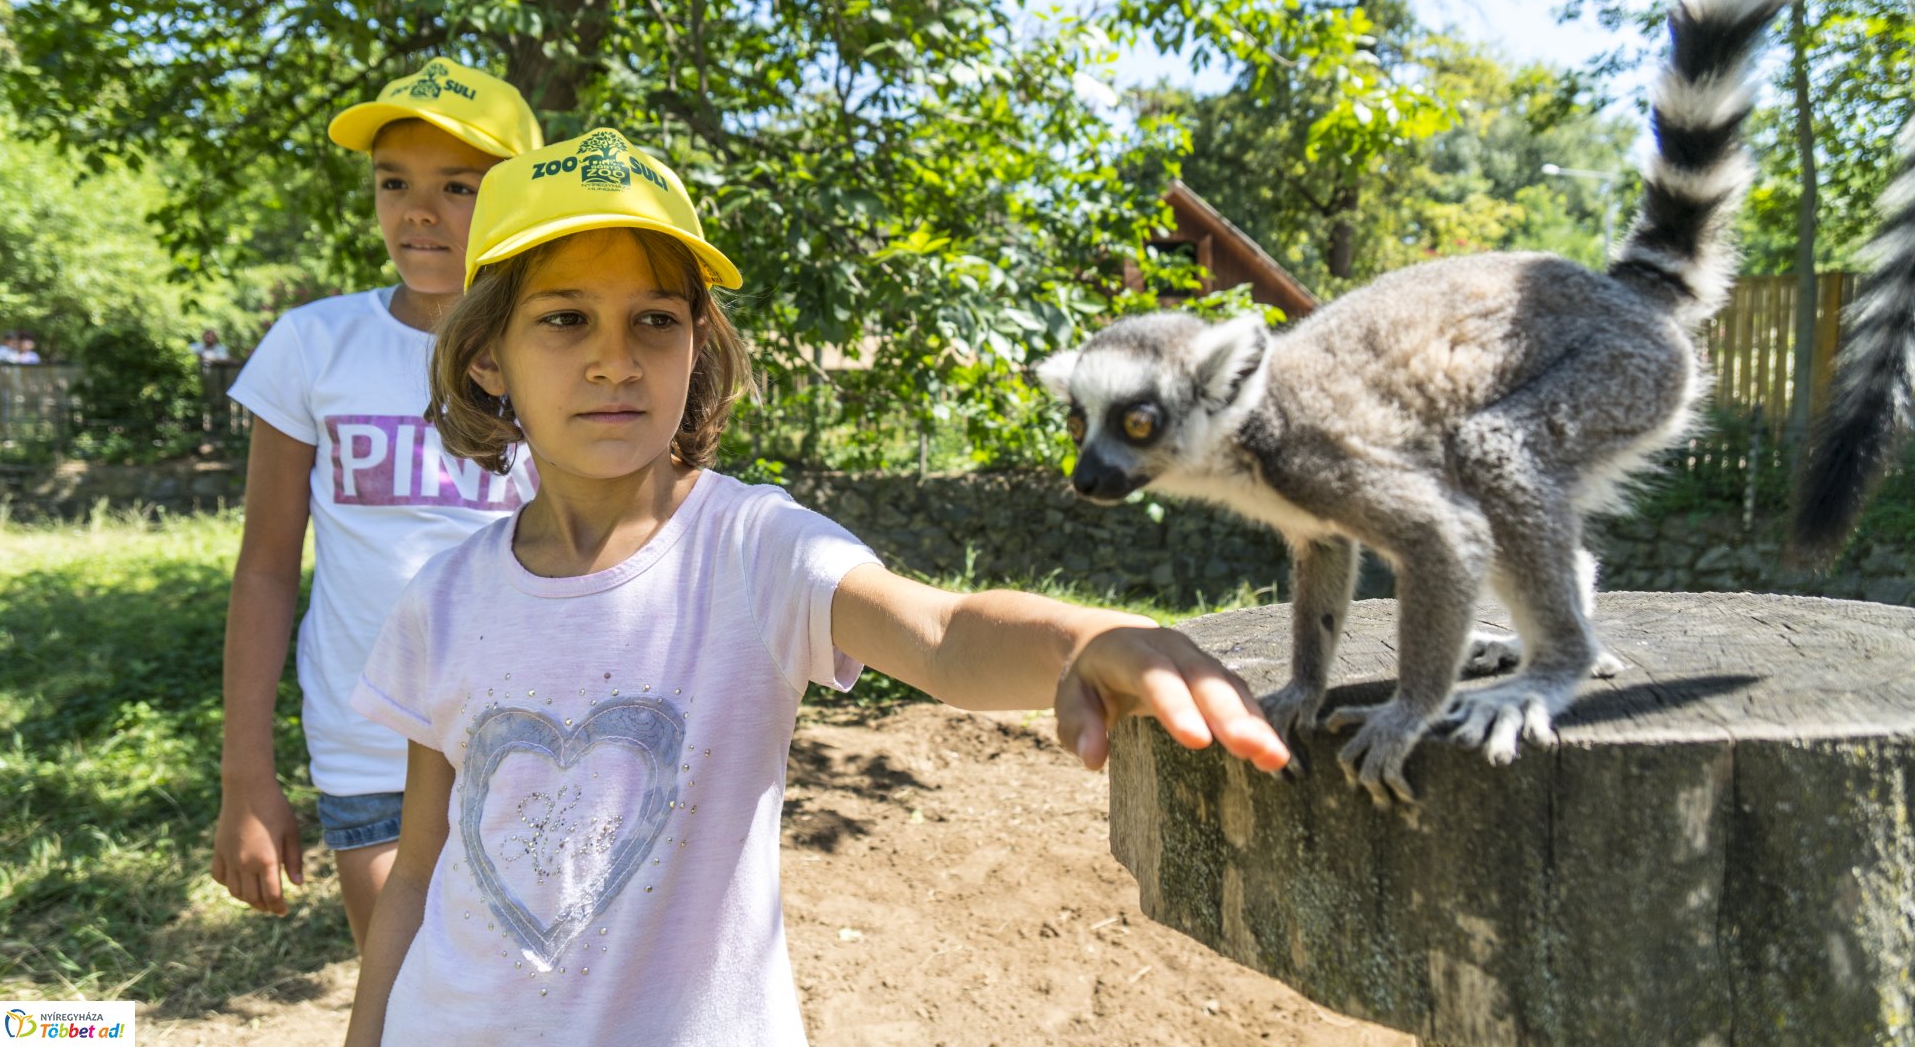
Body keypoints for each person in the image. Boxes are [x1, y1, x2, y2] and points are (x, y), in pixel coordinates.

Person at [342, 128, 1290, 1046]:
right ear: (485, 356)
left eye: (655, 321)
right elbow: (422, 869)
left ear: (695, 347)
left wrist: (1079, 640)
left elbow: (942, 628)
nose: (614, 357)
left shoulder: (753, 548)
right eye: (564, 317)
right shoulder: (445, 598)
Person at [213, 59, 544, 950]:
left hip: (528, 737)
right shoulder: (313, 344)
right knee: (403, 992)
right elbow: (267, 566)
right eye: (393, 181)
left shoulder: (558, 350)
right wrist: (246, 772)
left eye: (457, 186)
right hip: (367, 742)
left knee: (536, 995)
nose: (418, 210)